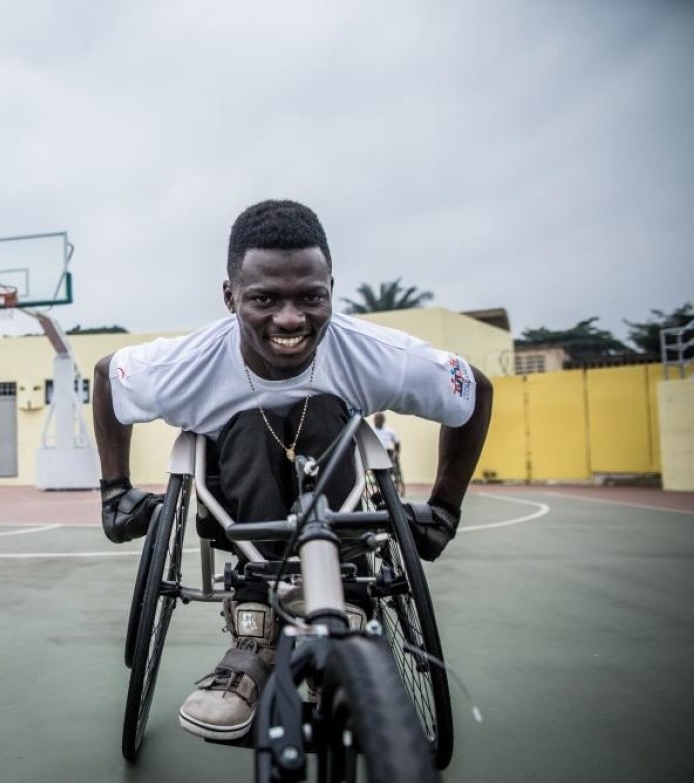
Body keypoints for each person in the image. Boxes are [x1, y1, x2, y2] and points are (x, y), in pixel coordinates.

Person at [92, 199, 493, 742]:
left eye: (310, 297)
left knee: (331, 412)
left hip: (337, 505)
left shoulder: (373, 354)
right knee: (250, 422)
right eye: (263, 299)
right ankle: (256, 627)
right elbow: (106, 378)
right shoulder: (183, 366)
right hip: (235, 501)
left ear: (332, 288)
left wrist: (445, 510)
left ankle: (345, 604)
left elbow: (475, 391)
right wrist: (114, 492)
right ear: (230, 296)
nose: (289, 319)